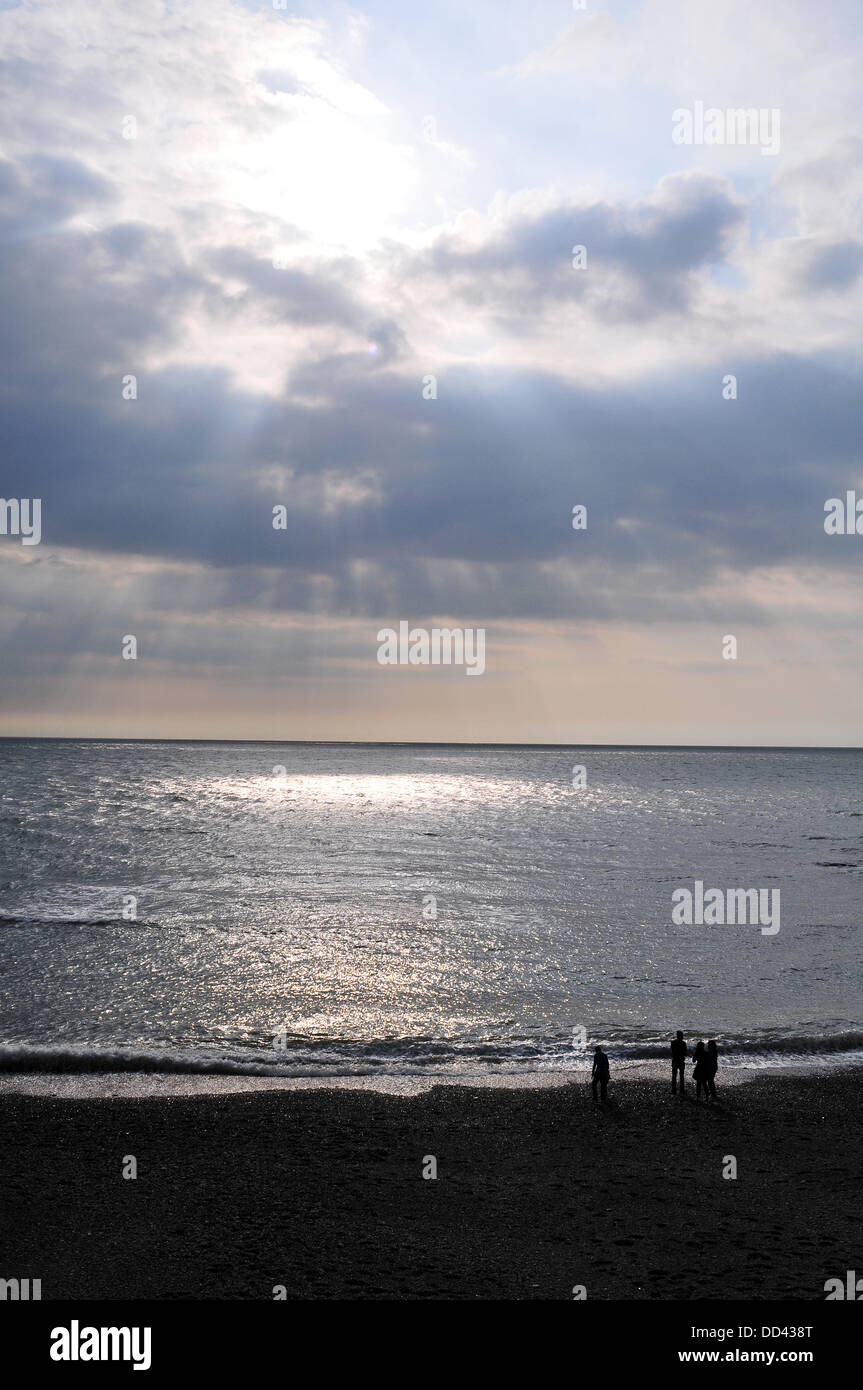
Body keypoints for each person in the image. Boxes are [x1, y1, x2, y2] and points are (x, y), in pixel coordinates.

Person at [670, 1030, 687, 1094]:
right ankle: (681, 1090)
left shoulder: (673, 1042)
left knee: (674, 1075)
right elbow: (685, 1053)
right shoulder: (683, 1043)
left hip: (675, 1060)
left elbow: (673, 1052)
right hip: (680, 1060)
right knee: (681, 1075)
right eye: (681, 1035)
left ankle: (674, 1090)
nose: (682, 1036)